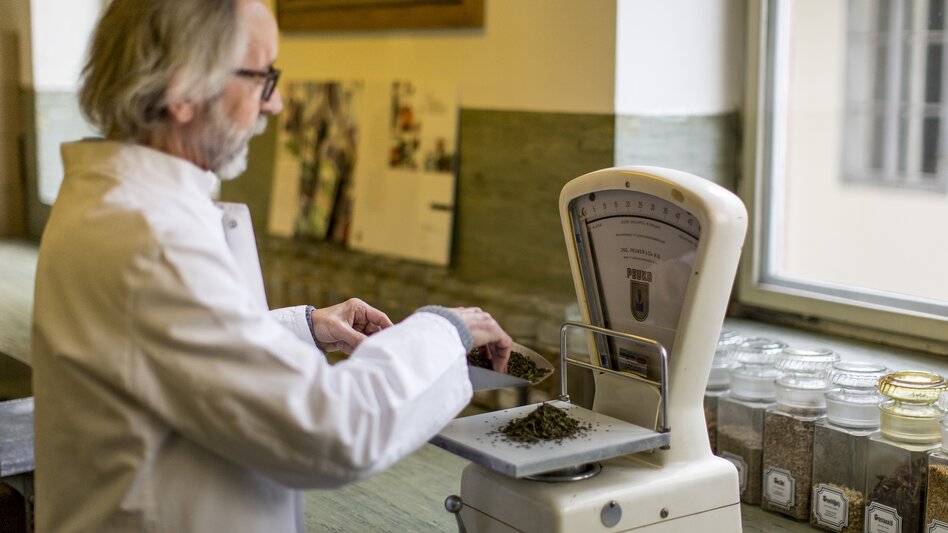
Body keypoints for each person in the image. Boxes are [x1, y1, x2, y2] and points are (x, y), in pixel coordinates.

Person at [31, 1, 512, 532]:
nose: (276, 104)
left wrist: (301, 329)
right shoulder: (150, 240)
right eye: (264, 77)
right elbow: (332, 430)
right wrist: (445, 329)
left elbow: (175, 353)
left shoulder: (117, 204)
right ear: (184, 87)